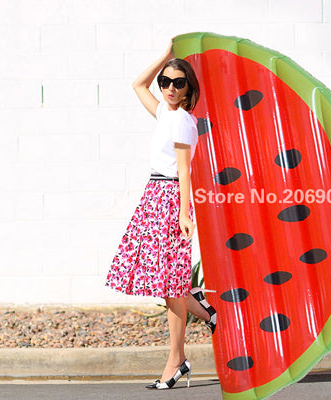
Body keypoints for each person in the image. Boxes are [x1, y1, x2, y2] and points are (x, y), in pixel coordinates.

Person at [105, 39, 217, 390]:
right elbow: (138, 84)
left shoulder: (183, 121)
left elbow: (185, 170)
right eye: (165, 82)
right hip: (154, 194)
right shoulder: (164, 114)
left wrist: (184, 213)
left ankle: (177, 359)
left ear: (188, 89)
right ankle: (204, 311)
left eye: (178, 82)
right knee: (160, 277)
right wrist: (165, 57)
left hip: (171, 197)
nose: (169, 88)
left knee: (169, 281)